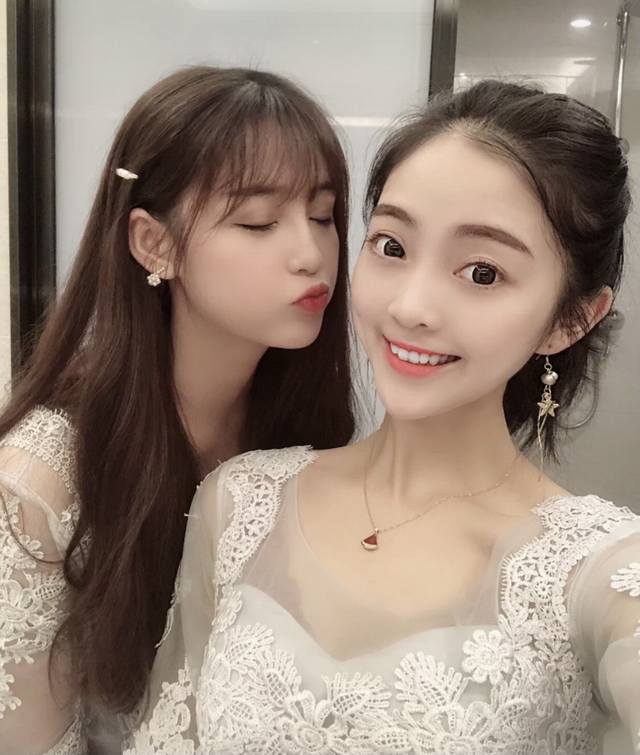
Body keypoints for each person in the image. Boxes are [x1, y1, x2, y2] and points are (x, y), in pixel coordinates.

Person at [125, 80, 640, 754]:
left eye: (482, 273)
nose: (409, 307)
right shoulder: (240, 500)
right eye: (392, 247)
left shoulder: (594, 570)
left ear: (571, 319)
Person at [0, 66, 356, 755]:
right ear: (154, 244)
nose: (311, 253)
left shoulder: (303, 435)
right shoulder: (40, 484)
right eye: (258, 221)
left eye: (321, 215)